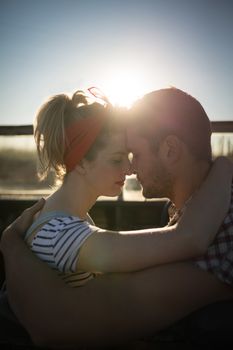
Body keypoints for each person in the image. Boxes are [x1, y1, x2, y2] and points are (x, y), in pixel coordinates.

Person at [0, 88, 233, 348]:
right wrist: (223, 166)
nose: (129, 169)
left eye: (133, 155)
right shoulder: (62, 232)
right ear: (82, 162)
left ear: (170, 149)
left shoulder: (220, 230)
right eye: (117, 159)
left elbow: (71, 319)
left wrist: (10, 244)